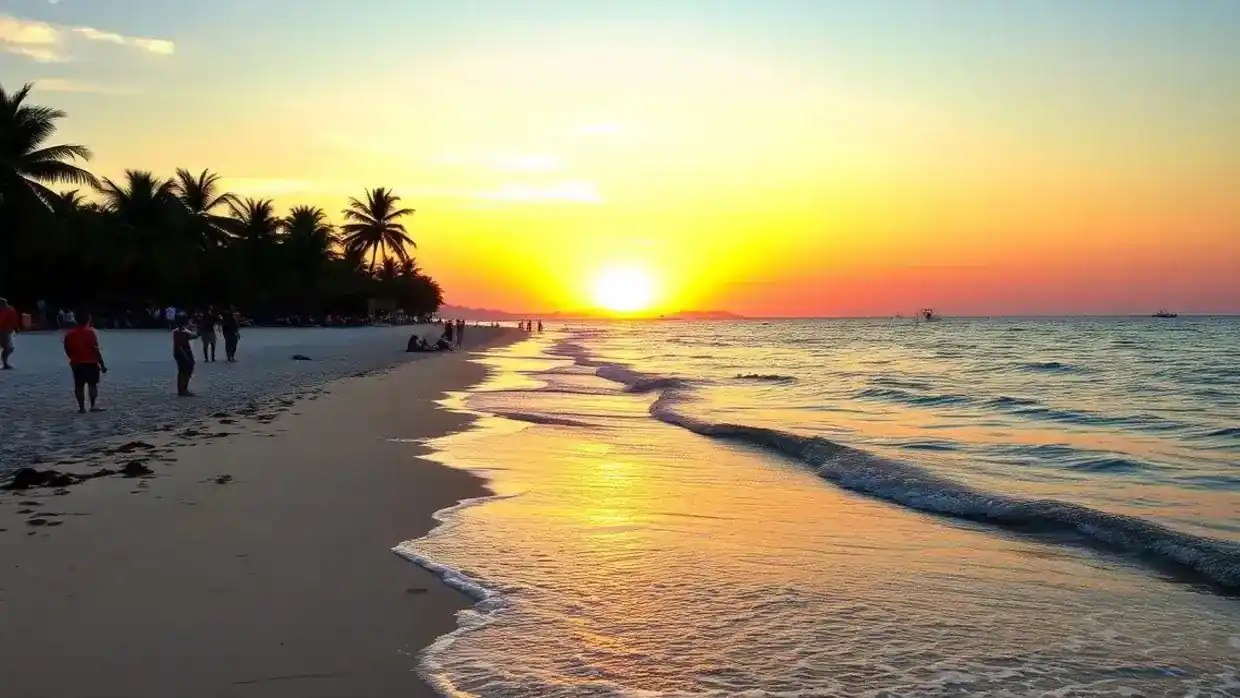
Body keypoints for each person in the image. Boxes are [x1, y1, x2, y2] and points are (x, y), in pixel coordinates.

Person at [63, 312, 107, 413]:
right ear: (88, 320)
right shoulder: (90, 332)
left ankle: (81, 408)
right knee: (92, 385)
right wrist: (102, 364)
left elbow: (67, 348)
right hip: (91, 362)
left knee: (78, 386)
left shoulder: (70, 333)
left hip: (77, 363)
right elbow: (95, 349)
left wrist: (72, 358)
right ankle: (93, 405)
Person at [173, 315, 198, 396]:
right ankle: (183, 389)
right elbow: (195, 335)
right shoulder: (183, 332)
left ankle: (181, 389)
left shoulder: (177, 331)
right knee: (185, 372)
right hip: (184, 353)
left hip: (179, 354)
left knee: (182, 372)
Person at [0, 297, 18, 369]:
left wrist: (14, 327)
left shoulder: (8, 309)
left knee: (8, 347)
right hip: (3, 330)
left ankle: (5, 363)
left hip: (6, 330)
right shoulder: (7, 310)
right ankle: (5, 363)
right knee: (8, 347)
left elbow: (13, 319)